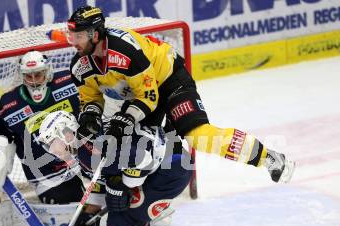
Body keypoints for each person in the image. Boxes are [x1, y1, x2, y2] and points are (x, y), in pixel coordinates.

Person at [66, 5, 295, 184]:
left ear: (95, 35)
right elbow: (91, 98)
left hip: (169, 82)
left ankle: (269, 158)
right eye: (72, 36)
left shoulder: (125, 51)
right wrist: (90, 116)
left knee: (198, 136)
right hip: (138, 96)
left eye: (79, 36)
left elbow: (149, 97)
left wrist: (126, 118)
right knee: (140, 150)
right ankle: (146, 204)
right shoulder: (79, 66)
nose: (73, 42)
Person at [39, 110, 193, 226]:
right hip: (159, 166)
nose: (53, 151)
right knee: (127, 204)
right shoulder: (83, 146)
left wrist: (123, 185)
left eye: (53, 143)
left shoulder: (90, 150)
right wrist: (89, 215)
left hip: (172, 168)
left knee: (123, 212)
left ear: (66, 133)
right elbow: (98, 181)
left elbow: (143, 157)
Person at [0, 50, 84, 205]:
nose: (34, 81)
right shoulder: (11, 104)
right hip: (47, 176)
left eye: (38, 74)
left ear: (47, 72)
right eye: (29, 76)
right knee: (70, 199)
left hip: (84, 162)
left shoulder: (68, 82)